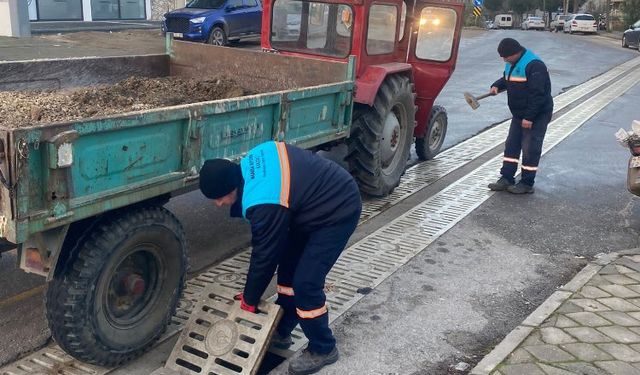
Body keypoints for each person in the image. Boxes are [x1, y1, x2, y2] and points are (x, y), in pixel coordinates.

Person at [199, 141, 362, 375]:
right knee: (287, 274)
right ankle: (282, 330)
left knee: (306, 283)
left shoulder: (264, 202)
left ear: (231, 187)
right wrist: (250, 294)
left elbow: (264, 255)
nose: (218, 205)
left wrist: (250, 299)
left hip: (337, 209)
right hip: (306, 207)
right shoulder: (250, 163)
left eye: (218, 198)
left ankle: (323, 347)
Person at [488, 38, 553, 194]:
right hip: (519, 113)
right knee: (512, 145)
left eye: (505, 57)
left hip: (537, 114)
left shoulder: (534, 65)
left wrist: (529, 118)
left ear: (515, 53)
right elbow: (508, 78)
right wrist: (497, 85)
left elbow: (538, 95)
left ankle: (526, 183)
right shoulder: (512, 62)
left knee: (530, 148)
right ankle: (506, 178)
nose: (504, 60)